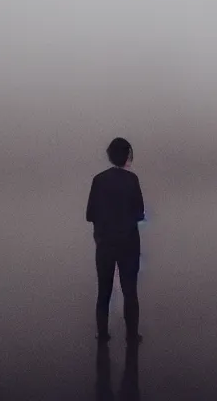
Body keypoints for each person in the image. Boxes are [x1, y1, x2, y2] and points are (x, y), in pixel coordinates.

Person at [86, 137, 146, 343]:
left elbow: (91, 214)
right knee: (130, 291)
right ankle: (132, 335)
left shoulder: (98, 180)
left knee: (104, 290)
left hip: (104, 243)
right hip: (129, 243)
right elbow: (139, 213)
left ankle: (102, 334)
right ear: (126, 155)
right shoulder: (132, 180)